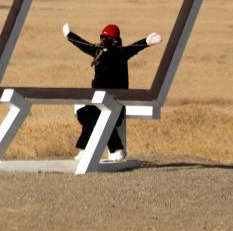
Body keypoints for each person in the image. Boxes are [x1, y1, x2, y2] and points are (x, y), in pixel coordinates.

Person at [63, 23, 162, 162]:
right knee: (86, 114)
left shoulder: (120, 53)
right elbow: (83, 45)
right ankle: (97, 150)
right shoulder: (98, 51)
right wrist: (69, 35)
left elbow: (133, 48)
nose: (103, 41)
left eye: (105, 38)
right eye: (103, 38)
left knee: (93, 115)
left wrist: (146, 42)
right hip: (98, 101)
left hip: (115, 102)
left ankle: (108, 150)